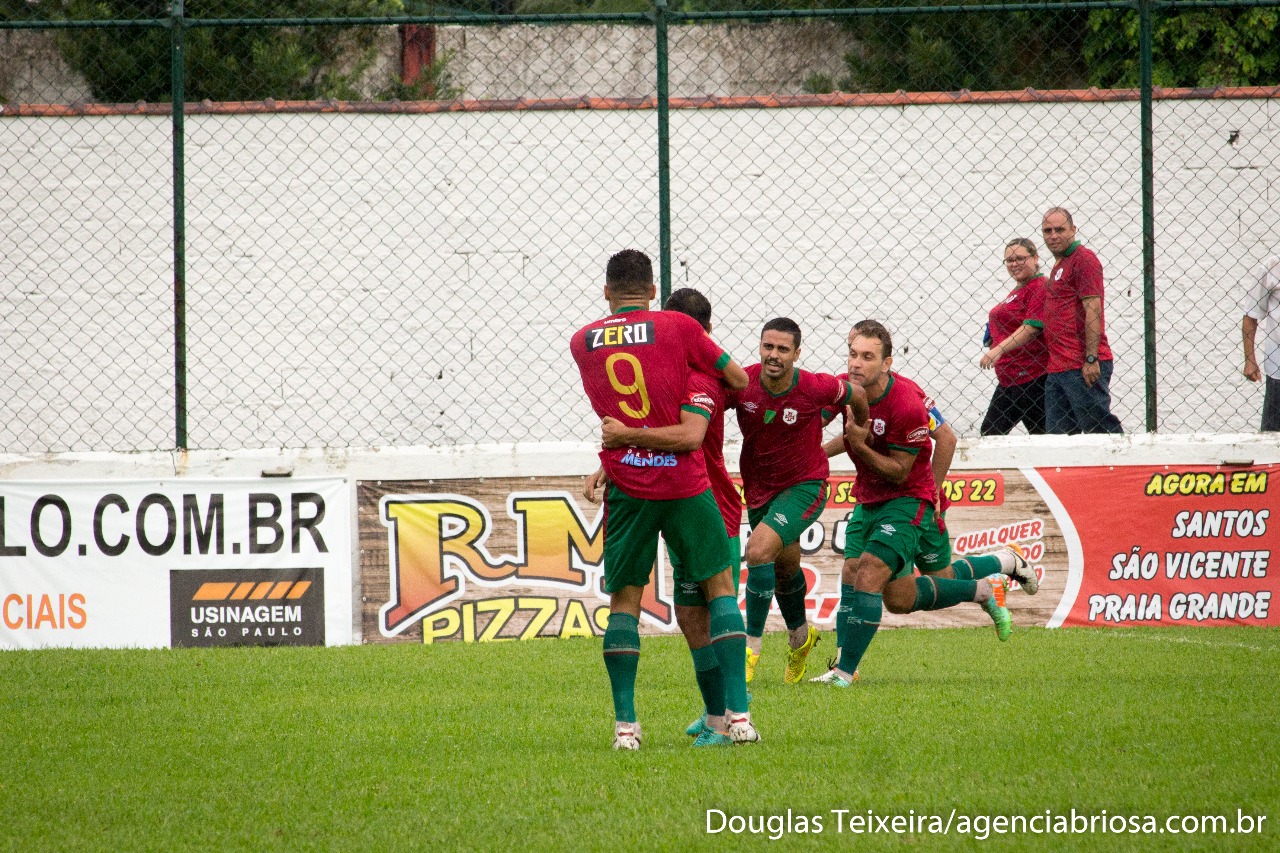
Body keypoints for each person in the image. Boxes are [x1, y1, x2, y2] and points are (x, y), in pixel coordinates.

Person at [570, 250, 758, 749]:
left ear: (606, 290)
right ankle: (735, 716)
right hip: (685, 485)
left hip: (631, 483)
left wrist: (624, 439)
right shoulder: (679, 333)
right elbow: (739, 378)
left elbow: (638, 409)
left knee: (626, 602)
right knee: (716, 593)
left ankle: (628, 728)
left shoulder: (581, 341)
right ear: (653, 292)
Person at [812, 320, 1037, 688]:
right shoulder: (846, 389)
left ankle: (844, 671)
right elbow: (845, 434)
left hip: (909, 497)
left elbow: (929, 449)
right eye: (852, 354)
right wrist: (817, 454)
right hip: (870, 497)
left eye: (867, 357)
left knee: (875, 573)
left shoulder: (906, 403)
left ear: (886, 364)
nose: (856, 363)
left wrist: (934, 488)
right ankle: (987, 583)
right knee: (895, 595)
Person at [726, 318, 865, 686]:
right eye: (768, 346)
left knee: (757, 551)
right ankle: (801, 639)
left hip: (805, 486)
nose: (774, 355)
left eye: (782, 349)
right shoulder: (743, 382)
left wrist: (859, 431)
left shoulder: (815, 386)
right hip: (759, 490)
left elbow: (857, 395)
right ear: (760, 347)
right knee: (784, 569)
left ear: (796, 353)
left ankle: (749, 650)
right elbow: (704, 407)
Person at [1038, 207, 1123, 434]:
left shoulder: (1083, 259)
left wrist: (1091, 357)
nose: (1053, 235)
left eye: (1060, 229)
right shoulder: (1060, 264)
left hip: (1081, 365)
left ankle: (1121, 467)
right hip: (1058, 367)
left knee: (1099, 432)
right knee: (1058, 441)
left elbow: (1093, 308)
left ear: (1074, 230)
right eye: (1047, 231)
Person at [977, 238, 1050, 435]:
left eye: (1020, 258)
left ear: (1035, 258)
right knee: (994, 434)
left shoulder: (1039, 286)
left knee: (993, 434)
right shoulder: (1019, 289)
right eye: (1009, 260)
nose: (1014, 264)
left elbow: (1032, 327)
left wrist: (998, 350)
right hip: (1011, 378)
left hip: (1032, 377)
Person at [1242, 253, 1280, 431]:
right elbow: (1251, 316)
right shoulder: (1273, 266)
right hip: (1278, 371)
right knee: (1273, 437)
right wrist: (1250, 360)